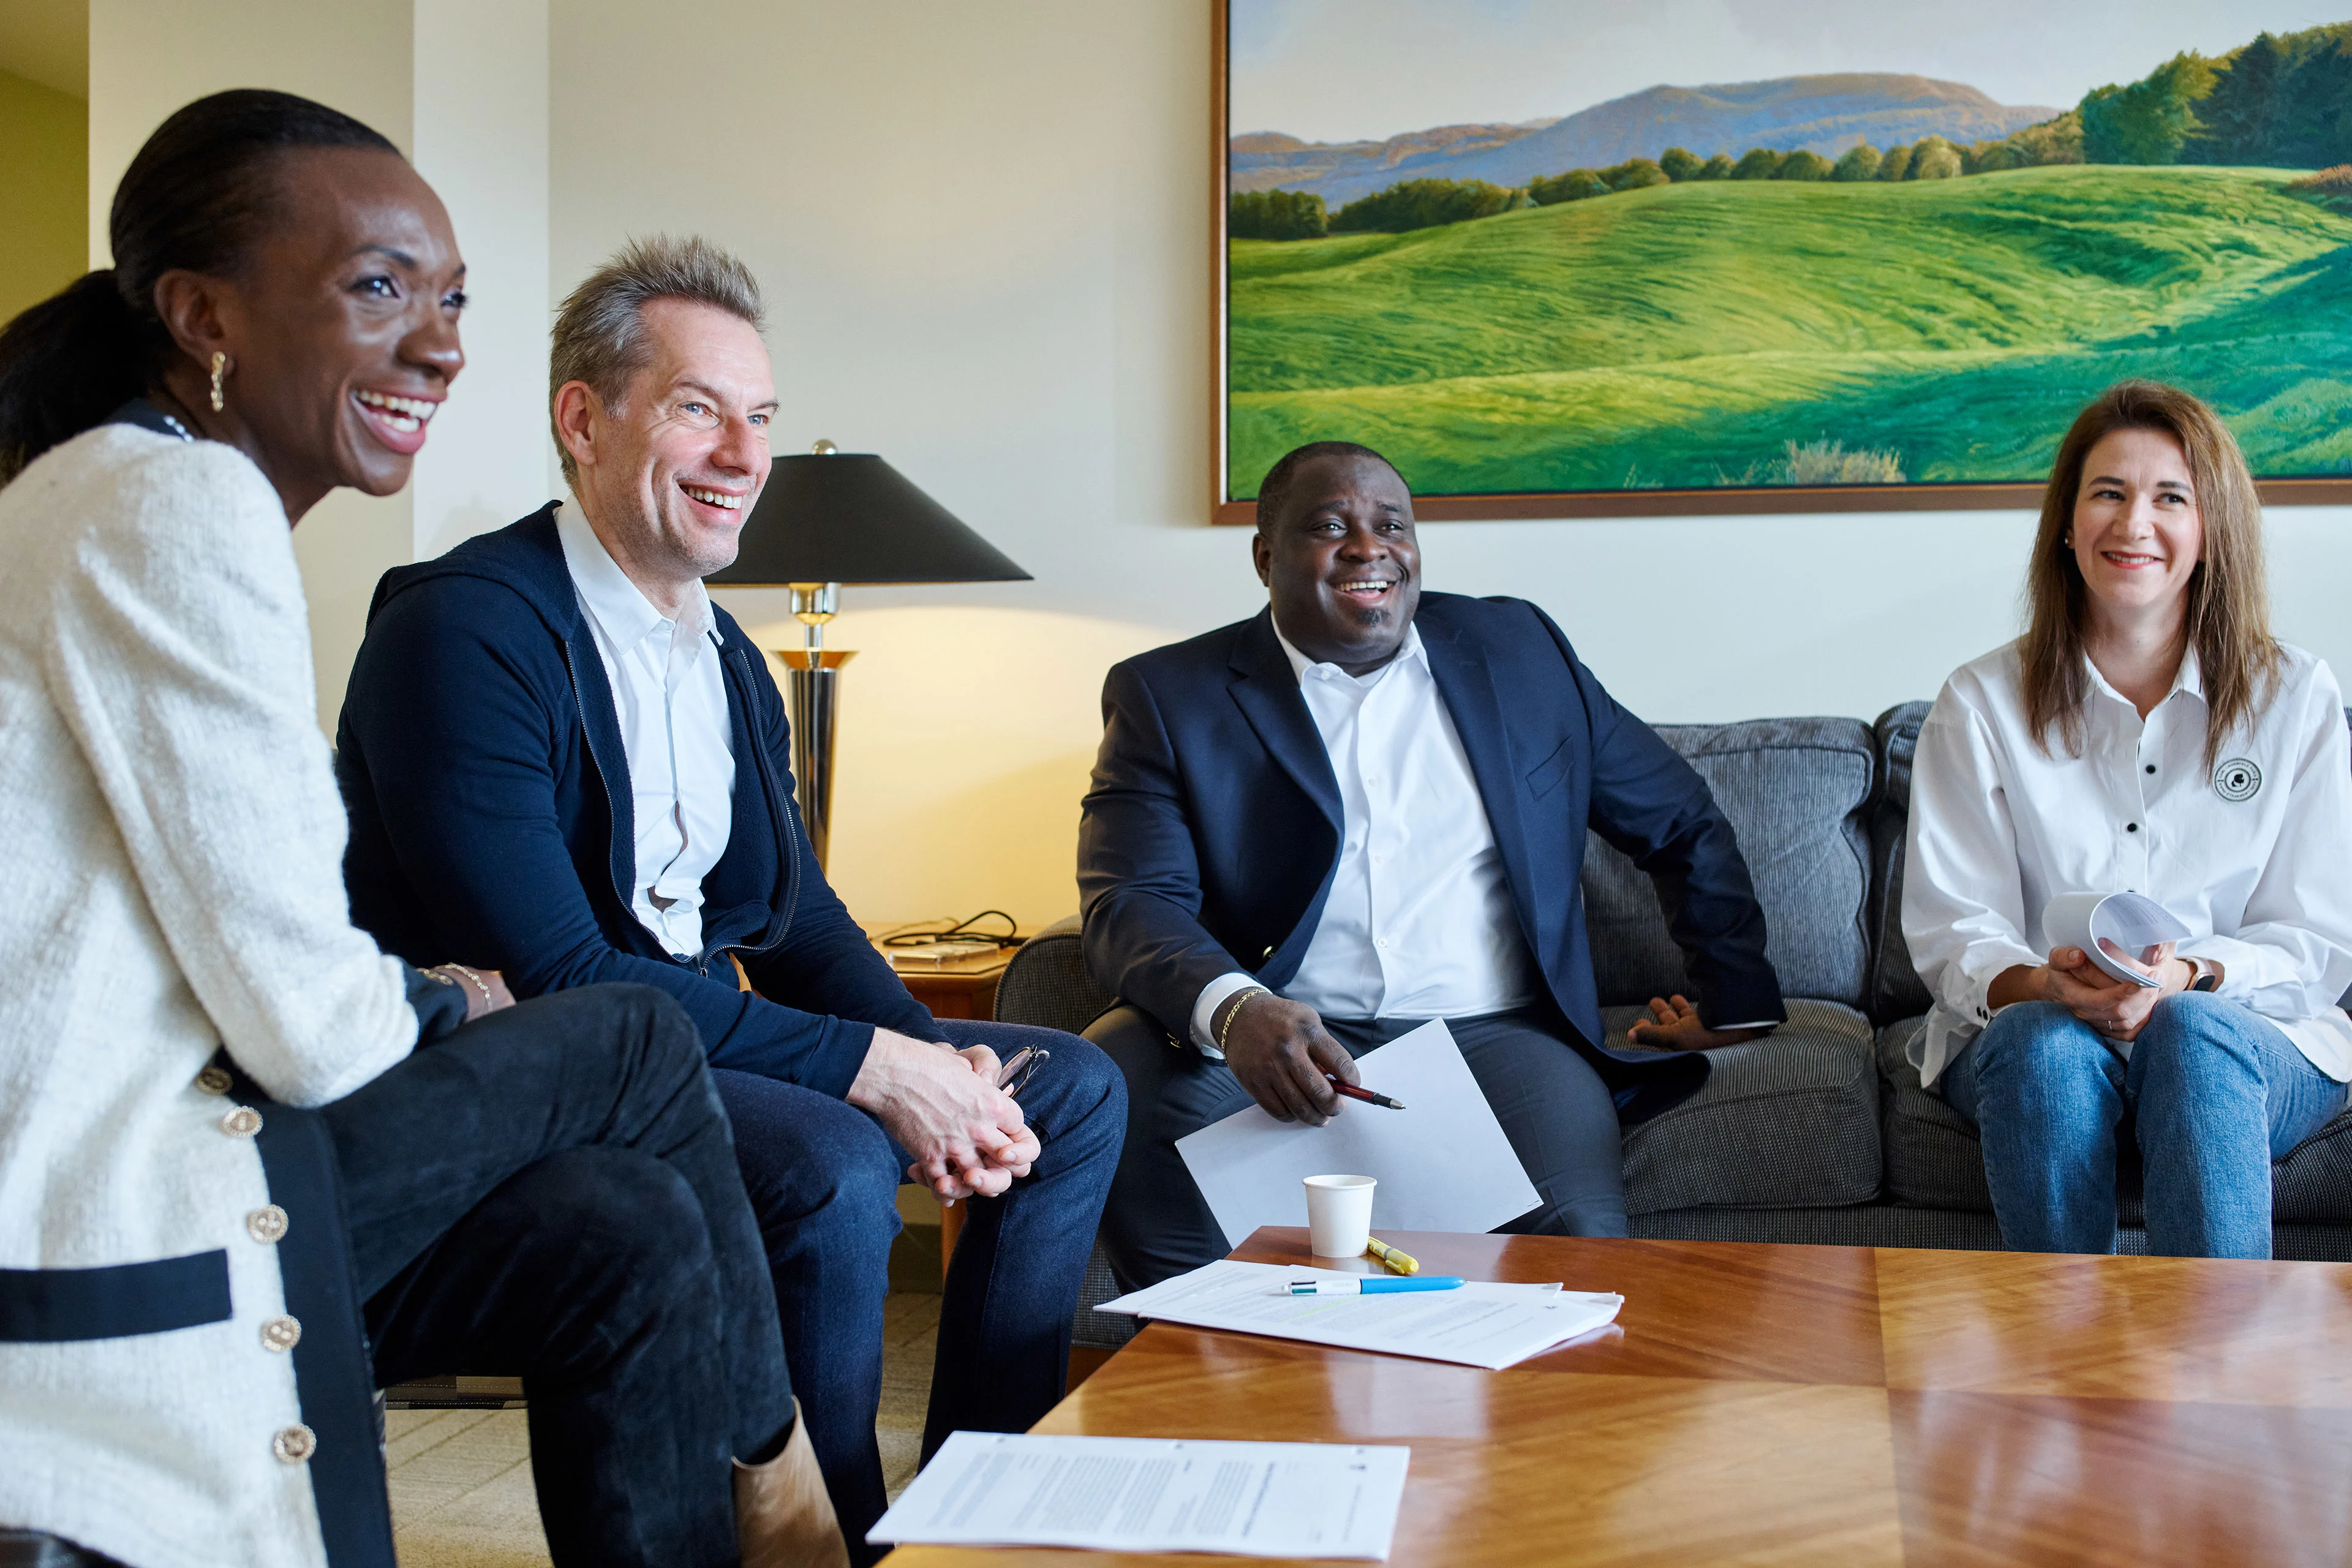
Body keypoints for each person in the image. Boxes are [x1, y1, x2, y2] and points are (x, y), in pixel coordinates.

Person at [0, 91, 842, 1568]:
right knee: (634, 1037)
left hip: (183, 1121)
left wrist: (421, 994)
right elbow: (311, 1024)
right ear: (204, 313)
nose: (444, 343)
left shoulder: (104, 491)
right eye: (378, 287)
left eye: (452, 299)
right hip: (111, 1175)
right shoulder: (176, 504)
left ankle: (764, 1490)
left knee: (625, 1219)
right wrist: (444, 991)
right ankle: (783, 1480)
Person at [331, 236, 1123, 1556]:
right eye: (700, 407)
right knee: (831, 1160)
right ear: (582, 418)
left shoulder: (724, 649)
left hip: (685, 1033)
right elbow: (568, 972)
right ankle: (833, 1539)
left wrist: (935, 1057)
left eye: (759, 417)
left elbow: (796, 915)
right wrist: (874, 1075)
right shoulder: (462, 630)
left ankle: (980, 1509)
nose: (745, 453)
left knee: (1074, 1084)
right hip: (527, 1065)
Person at [1079, 440, 1786, 1289]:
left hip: (1496, 1032)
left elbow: (1679, 819)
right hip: (1279, 1036)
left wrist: (1735, 1001)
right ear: (1267, 557)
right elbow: (1131, 900)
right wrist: (1239, 1012)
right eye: (1330, 526)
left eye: (1392, 526)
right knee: (1118, 1109)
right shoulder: (1170, 694)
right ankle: (1213, 1392)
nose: (1369, 547)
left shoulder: (1520, 651)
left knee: (1576, 1259)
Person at [1902, 380, 2352, 1259]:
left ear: (2210, 530)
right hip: (2044, 1025)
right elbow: (1958, 928)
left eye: (2169, 497)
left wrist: (2187, 976)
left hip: (2251, 1031)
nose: (2133, 523)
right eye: (2107, 493)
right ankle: (2069, 1379)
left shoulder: (2296, 697)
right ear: (2067, 526)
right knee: (2043, 1047)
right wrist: (2046, 985)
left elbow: (2318, 942)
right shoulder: (1981, 702)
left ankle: (2217, 1379)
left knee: (2190, 1035)